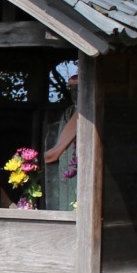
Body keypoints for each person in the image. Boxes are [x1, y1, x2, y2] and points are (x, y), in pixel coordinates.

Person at [42, 72, 78, 209]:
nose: (74, 94)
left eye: (77, 90)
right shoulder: (69, 111)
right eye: (72, 90)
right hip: (65, 155)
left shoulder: (88, 111)